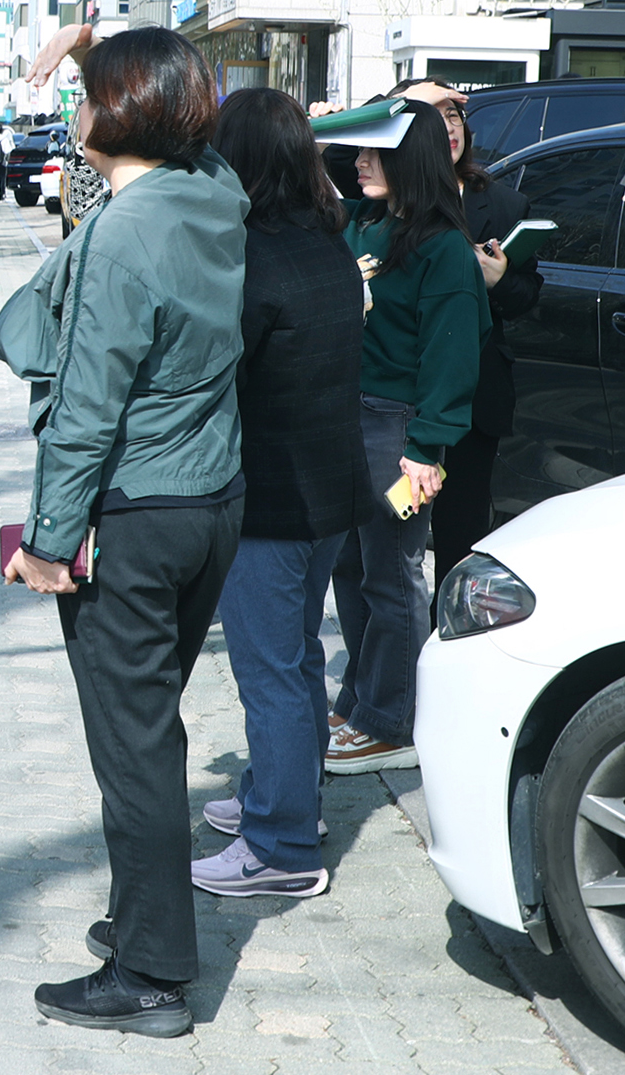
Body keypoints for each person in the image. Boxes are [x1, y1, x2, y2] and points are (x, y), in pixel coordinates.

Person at [0, 27, 250, 1038]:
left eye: (87, 98)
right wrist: (87, 60)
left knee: (135, 749)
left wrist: (51, 540)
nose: (77, 112)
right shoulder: (212, 196)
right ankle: (141, 922)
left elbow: (86, 408)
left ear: (118, 114)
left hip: (134, 517)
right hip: (211, 506)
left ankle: (151, 974)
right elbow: (190, 139)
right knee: (148, 730)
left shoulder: (121, 234)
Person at [190, 88, 371, 900]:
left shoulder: (252, 258)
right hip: (330, 488)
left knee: (271, 673)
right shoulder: (326, 242)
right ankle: (280, 799)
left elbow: (216, 372)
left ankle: (284, 848)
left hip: (273, 500)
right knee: (295, 664)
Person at [321, 102, 488, 773]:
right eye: (360, 150)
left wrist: (426, 448)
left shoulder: (441, 248)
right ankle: (364, 697)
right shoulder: (362, 221)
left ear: (409, 159)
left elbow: (453, 358)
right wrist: (367, 118)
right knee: (349, 567)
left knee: (390, 572)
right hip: (345, 419)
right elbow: (320, 149)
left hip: (397, 430)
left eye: (376, 150)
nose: (359, 160)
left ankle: (392, 719)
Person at [379, 82, 543, 597]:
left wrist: (495, 282)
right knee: (389, 540)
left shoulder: (502, 201)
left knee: (461, 534)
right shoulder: (380, 194)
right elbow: (345, 148)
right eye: (434, 116)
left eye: (454, 117)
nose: (448, 127)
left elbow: (527, 295)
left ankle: (449, 636)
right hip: (400, 399)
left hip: (473, 400)